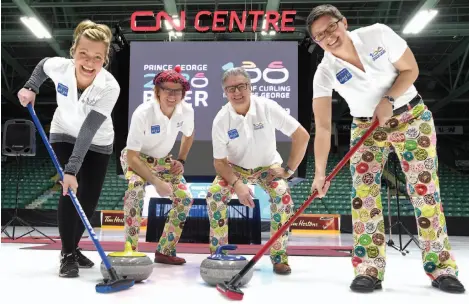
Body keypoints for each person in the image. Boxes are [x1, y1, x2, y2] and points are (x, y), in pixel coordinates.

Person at [307, 4, 465, 293]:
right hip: (366, 128)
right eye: (320, 36)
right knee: (363, 196)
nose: (328, 36)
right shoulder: (325, 72)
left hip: (411, 117)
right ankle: (369, 268)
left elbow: (411, 69)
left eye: (331, 27)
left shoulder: (377, 34)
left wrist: (389, 100)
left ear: (344, 22)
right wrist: (320, 173)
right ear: (316, 42)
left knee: (425, 192)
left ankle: (441, 268)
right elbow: (324, 127)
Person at [17, 20, 120, 278]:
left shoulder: (109, 87)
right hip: (62, 130)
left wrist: (72, 169)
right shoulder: (61, 67)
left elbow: (88, 131)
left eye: (97, 57)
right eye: (83, 53)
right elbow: (42, 66)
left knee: (88, 197)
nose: (89, 61)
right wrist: (31, 86)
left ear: (105, 59)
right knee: (68, 191)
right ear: (73, 50)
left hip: (97, 140)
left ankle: (73, 248)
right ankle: (66, 253)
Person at [207, 67, 310, 275]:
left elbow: (301, 135)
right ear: (225, 93)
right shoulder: (220, 120)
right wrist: (238, 184)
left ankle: (279, 257)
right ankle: (219, 254)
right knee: (214, 196)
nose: (236, 92)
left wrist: (288, 170)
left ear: (250, 87)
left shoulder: (267, 107)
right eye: (230, 89)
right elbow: (219, 162)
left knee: (283, 197)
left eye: (241, 86)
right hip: (234, 169)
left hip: (268, 167)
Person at [120, 66, 195, 265]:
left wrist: (181, 160)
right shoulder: (143, 113)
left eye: (177, 91)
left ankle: (165, 250)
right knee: (135, 190)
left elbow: (189, 134)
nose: (172, 95)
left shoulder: (186, 111)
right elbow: (132, 156)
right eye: (167, 90)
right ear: (157, 91)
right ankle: (131, 250)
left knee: (185, 198)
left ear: (182, 93)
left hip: (164, 160)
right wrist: (155, 182)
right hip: (137, 159)